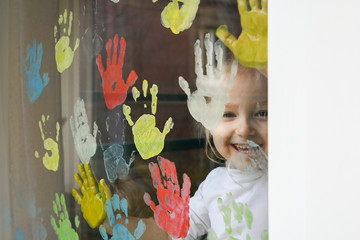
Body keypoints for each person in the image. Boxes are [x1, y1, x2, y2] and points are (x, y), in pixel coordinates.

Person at [183, 62, 268, 240]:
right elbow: (172, 232)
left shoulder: (289, 183)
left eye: (262, 114)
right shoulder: (214, 184)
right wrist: (116, 223)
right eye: (229, 114)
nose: (244, 129)